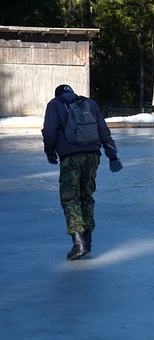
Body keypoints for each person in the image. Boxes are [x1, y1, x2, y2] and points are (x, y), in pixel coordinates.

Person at [41, 84, 123, 260]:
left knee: (70, 198)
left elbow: (49, 131)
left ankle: (78, 243)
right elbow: (103, 130)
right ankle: (88, 240)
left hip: (70, 157)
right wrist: (113, 156)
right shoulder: (89, 104)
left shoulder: (55, 104)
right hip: (92, 155)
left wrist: (50, 152)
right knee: (86, 197)